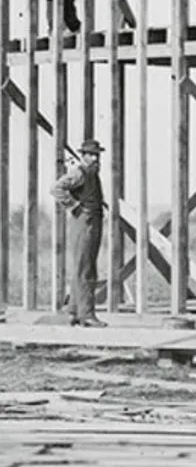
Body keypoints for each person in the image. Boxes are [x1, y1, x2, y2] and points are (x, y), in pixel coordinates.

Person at [51, 139, 106, 327]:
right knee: (86, 269)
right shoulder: (79, 173)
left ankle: (73, 312)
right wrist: (74, 206)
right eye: (91, 155)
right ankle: (87, 315)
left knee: (83, 266)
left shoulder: (92, 174)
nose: (95, 159)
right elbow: (56, 188)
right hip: (84, 222)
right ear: (83, 156)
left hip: (93, 221)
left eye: (97, 155)